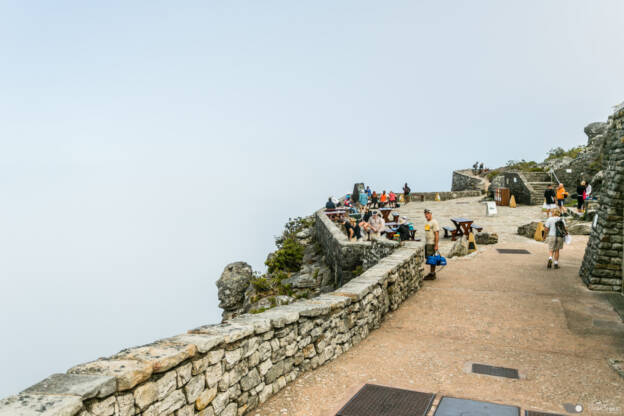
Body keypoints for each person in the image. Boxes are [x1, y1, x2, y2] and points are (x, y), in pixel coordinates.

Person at [423, 209, 440, 280]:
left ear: (430, 214)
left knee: (432, 259)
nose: (426, 215)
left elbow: (437, 234)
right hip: (427, 243)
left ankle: (432, 274)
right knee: (429, 259)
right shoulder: (427, 222)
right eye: (425, 214)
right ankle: (432, 273)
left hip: (432, 243)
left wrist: (436, 245)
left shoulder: (434, 222)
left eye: (427, 214)